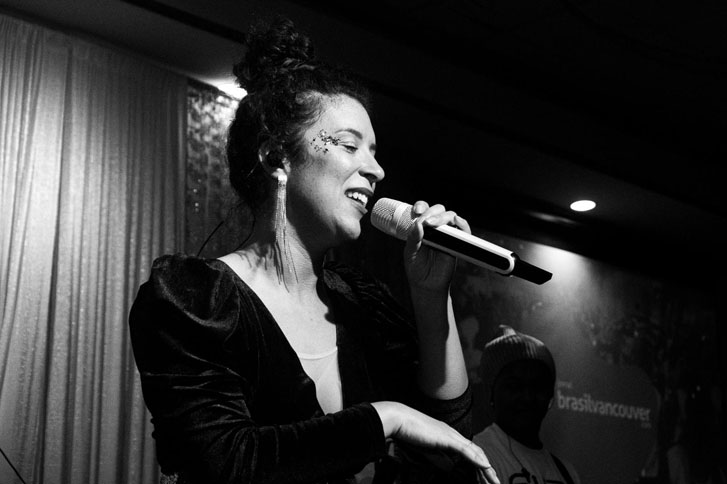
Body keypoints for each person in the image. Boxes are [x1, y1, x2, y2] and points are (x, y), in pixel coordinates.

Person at [129, 17, 499, 484]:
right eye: (350, 146)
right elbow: (227, 462)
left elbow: (449, 444)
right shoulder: (195, 302)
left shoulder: (361, 306)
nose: (376, 170)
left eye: (375, 151)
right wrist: (384, 417)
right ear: (275, 157)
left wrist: (431, 296)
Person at [473, 326, 580, 484]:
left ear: (550, 394)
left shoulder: (567, 472)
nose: (527, 397)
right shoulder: (476, 454)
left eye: (537, 386)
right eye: (514, 386)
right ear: (491, 391)